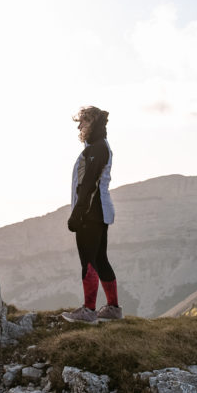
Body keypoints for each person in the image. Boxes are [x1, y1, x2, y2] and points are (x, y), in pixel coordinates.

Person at [62, 106, 122, 323]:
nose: (79, 126)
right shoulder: (97, 146)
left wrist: (77, 214)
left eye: (84, 122)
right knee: (100, 259)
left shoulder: (97, 148)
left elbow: (88, 184)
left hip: (91, 212)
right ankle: (113, 309)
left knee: (88, 261)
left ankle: (88, 311)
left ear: (93, 123)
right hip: (99, 212)